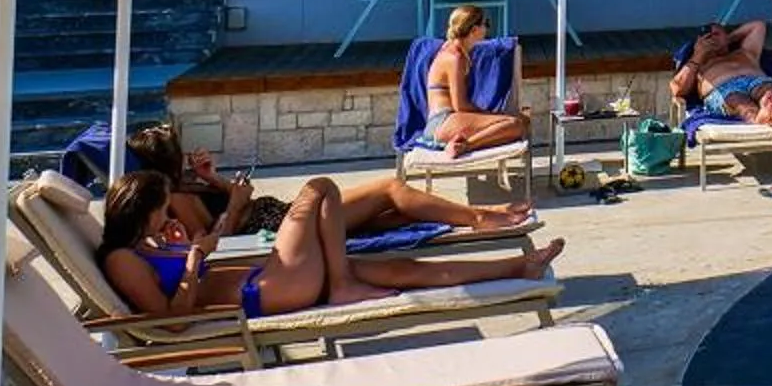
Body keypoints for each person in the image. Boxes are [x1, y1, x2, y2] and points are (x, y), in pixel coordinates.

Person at [95, 170, 560, 322]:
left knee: (401, 268)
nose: (168, 216)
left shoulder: (147, 246)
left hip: (272, 281)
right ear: (143, 211)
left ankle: (518, 268)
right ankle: (339, 282)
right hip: (267, 290)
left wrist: (188, 247)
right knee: (319, 187)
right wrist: (196, 256)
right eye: (162, 210)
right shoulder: (121, 260)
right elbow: (171, 322)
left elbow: (189, 273)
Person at [128, 124, 529, 239]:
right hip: (282, 228)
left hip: (280, 217)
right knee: (391, 189)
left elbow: (228, 206)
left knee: (397, 215)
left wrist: (212, 180)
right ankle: (482, 218)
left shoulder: (184, 188)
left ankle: (484, 214)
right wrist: (235, 203)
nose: (186, 153)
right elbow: (211, 244)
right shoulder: (174, 201)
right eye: (177, 150)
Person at [422, 6, 530, 158]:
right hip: (443, 122)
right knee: (516, 125)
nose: (487, 28)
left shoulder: (455, 50)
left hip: (446, 120)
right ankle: (464, 146)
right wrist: (493, 115)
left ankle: (464, 143)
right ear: (474, 29)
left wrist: (496, 117)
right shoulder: (455, 57)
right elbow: (460, 105)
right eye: (485, 23)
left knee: (520, 123)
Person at [672, 20, 772, 128]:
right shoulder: (699, 64)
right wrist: (698, 55)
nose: (712, 37)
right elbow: (677, 89)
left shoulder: (745, 52)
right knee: (739, 101)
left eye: (717, 34)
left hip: (757, 81)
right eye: (707, 36)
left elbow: (758, 26)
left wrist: (727, 40)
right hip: (724, 89)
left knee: (769, 91)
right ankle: (759, 119)